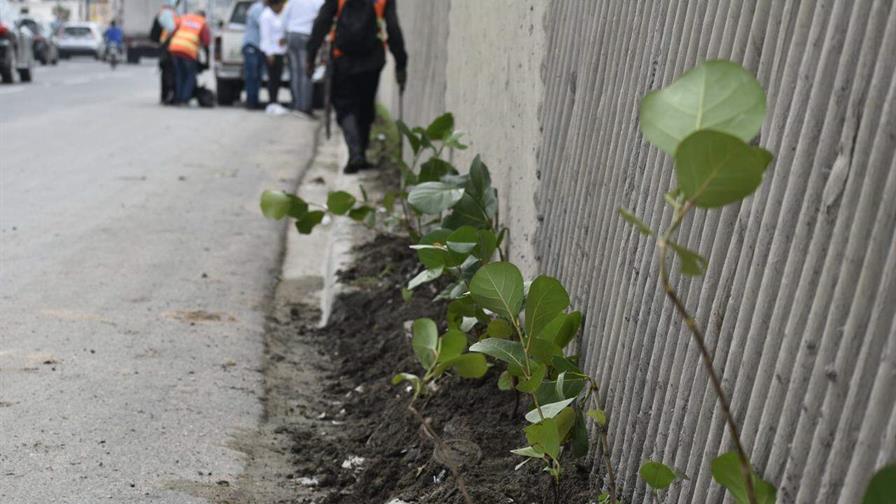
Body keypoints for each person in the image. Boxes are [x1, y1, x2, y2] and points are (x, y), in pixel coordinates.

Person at [307, 0, 407, 173]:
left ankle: (356, 154)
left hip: (342, 59)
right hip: (372, 61)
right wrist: (401, 63)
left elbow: (321, 22)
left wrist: (310, 56)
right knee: (365, 106)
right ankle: (360, 154)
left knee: (345, 108)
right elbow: (393, 29)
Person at [281, 0, 322, 115]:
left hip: (292, 35)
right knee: (306, 71)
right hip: (306, 35)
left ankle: (296, 103)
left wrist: (283, 35)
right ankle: (304, 107)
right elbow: (322, 16)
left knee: (295, 72)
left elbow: (284, 17)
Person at [168, 10, 210, 105]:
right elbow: (206, 42)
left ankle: (178, 98)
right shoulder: (202, 23)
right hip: (189, 51)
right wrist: (206, 60)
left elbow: (172, 30)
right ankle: (184, 99)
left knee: (179, 75)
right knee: (190, 76)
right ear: (204, 16)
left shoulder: (184, 18)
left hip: (175, 48)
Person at [259, 0, 287, 106]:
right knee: (273, 79)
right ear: (276, 4)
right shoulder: (266, 16)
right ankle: (272, 102)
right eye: (281, 5)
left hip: (279, 51)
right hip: (271, 52)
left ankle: (275, 101)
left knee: (277, 78)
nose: (282, 8)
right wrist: (269, 53)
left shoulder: (276, 15)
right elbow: (265, 37)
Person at [150, 0, 178, 104]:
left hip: (164, 48)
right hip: (174, 48)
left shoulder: (160, 15)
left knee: (165, 73)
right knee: (173, 73)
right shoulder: (176, 15)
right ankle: (174, 96)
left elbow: (153, 36)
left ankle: (164, 97)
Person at [242, 0, 265, 109]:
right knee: (252, 75)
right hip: (252, 46)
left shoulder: (264, 8)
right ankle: (251, 102)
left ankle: (255, 101)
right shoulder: (258, 8)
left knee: (257, 76)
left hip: (259, 47)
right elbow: (264, 23)